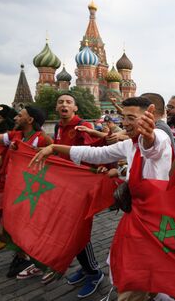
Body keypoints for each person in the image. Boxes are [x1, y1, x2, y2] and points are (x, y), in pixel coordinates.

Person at [30, 97, 172, 301]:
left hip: (153, 223)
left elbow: (153, 146)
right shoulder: (129, 145)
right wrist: (54, 149)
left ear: (149, 118)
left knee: (135, 280)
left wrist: (148, 137)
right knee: (142, 276)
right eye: (124, 117)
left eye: (132, 118)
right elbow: (97, 153)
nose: (125, 123)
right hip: (136, 218)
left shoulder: (158, 136)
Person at [0, 105, 52, 282]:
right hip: (9, 188)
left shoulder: (42, 138)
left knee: (17, 229)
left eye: (20, 115)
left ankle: (33, 259)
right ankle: (24, 255)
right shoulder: (16, 135)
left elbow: (56, 159)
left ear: (30, 120)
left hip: (29, 191)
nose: (15, 118)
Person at [51, 92, 106, 295]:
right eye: (60, 102)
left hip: (80, 187)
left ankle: (94, 272)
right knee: (69, 229)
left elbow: (96, 151)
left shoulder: (83, 126)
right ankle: (86, 269)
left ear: (75, 108)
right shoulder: (58, 127)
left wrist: (100, 168)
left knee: (79, 231)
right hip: (64, 186)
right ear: (57, 108)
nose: (64, 105)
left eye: (68, 102)